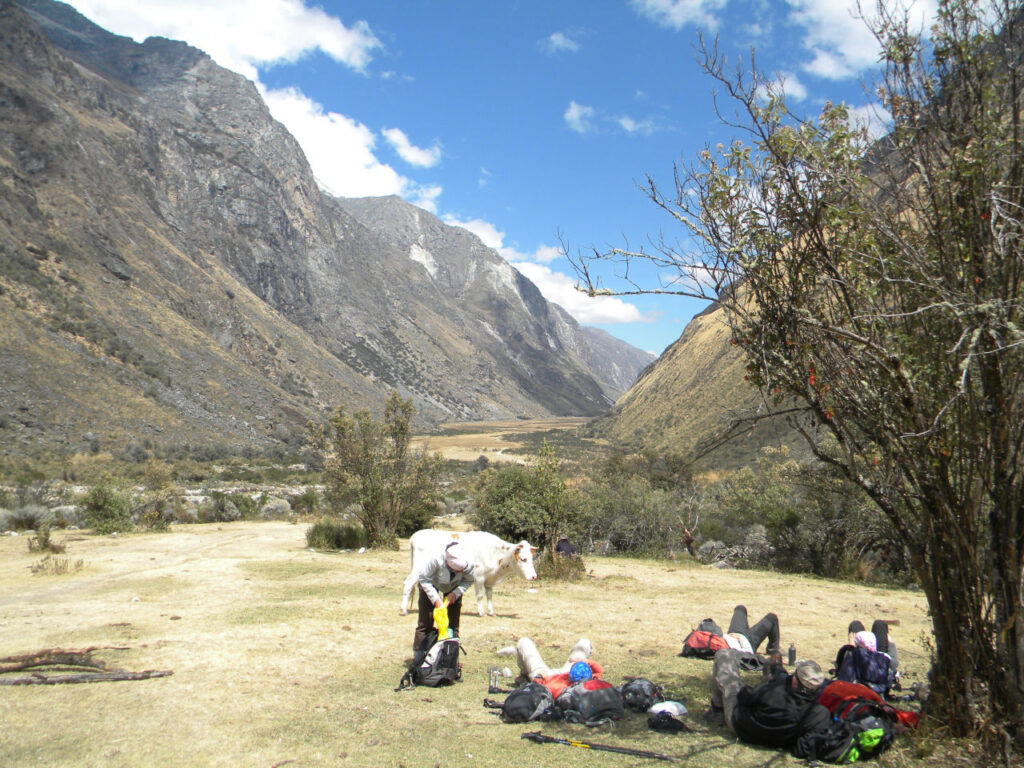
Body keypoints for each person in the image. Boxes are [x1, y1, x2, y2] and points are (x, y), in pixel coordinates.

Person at [710, 649, 831, 757]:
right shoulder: (817, 712)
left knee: (723, 655)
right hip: (778, 741)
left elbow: (744, 698)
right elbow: (803, 749)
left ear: (794, 681)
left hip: (741, 727)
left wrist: (750, 688)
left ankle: (718, 711)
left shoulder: (774, 690)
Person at [412, 541, 474, 651]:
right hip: (430, 583)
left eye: (461, 571)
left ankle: (450, 656)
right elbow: (423, 579)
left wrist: (455, 593)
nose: (460, 572)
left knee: (453, 625)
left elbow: (468, 580)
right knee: (425, 622)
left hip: (454, 587)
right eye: (456, 570)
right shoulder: (435, 560)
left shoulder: (469, 563)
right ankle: (420, 656)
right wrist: (436, 600)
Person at [500, 637, 604, 699]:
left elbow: (540, 687)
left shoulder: (558, 689)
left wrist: (540, 677)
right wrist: (586, 662)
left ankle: (524, 676)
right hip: (572, 670)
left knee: (524, 642)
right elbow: (599, 671)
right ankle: (524, 676)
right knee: (584, 642)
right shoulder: (589, 681)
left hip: (546, 676)